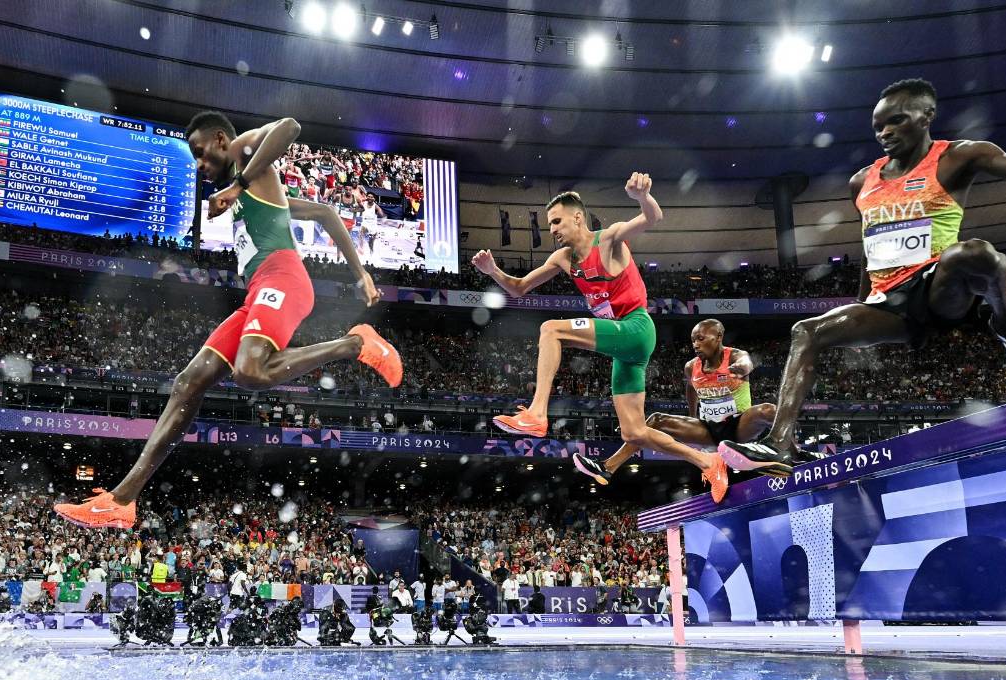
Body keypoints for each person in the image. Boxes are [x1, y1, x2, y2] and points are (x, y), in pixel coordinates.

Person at [721, 78, 1006, 477]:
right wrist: (862, 303)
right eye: (878, 126)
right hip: (888, 304)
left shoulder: (957, 158)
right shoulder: (862, 181)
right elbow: (870, 246)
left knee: (976, 253)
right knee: (806, 331)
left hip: (939, 290)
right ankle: (779, 445)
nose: (885, 132)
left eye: (896, 120)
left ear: (927, 115)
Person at [54, 111, 403, 528]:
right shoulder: (258, 187)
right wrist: (360, 271)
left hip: (285, 279)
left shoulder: (243, 153)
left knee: (249, 371)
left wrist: (238, 185)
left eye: (200, 153)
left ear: (221, 139)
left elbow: (290, 126)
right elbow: (326, 213)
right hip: (258, 292)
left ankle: (355, 344)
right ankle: (121, 500)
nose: (199, 165)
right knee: (189, 383)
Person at [472, 174, 729, 502]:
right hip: (625, 349)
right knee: (633, 431)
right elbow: (519, 288)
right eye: (549, 224)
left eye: (556, 221)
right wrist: (493, 271)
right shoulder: (563, 259)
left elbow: (653, 217)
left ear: (577, 217)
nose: (551, 230)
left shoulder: (607, 239)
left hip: (636, 328)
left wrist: (643, 197)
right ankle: (708, 461)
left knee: (551, 329)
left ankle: (537, 413)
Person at [572, 319, 781, 485]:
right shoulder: (691, 366)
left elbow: (747, 362)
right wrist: (693, 418)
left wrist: (742, 368)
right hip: (708, 429)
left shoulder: (735, 356)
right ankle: (608, 467)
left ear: (718, 337)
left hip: (738, 426)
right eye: (693, 340)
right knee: (655, 420)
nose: (696, 344)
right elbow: (691, 388)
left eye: (700, 338)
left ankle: (790, 451)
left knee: (768, 410)